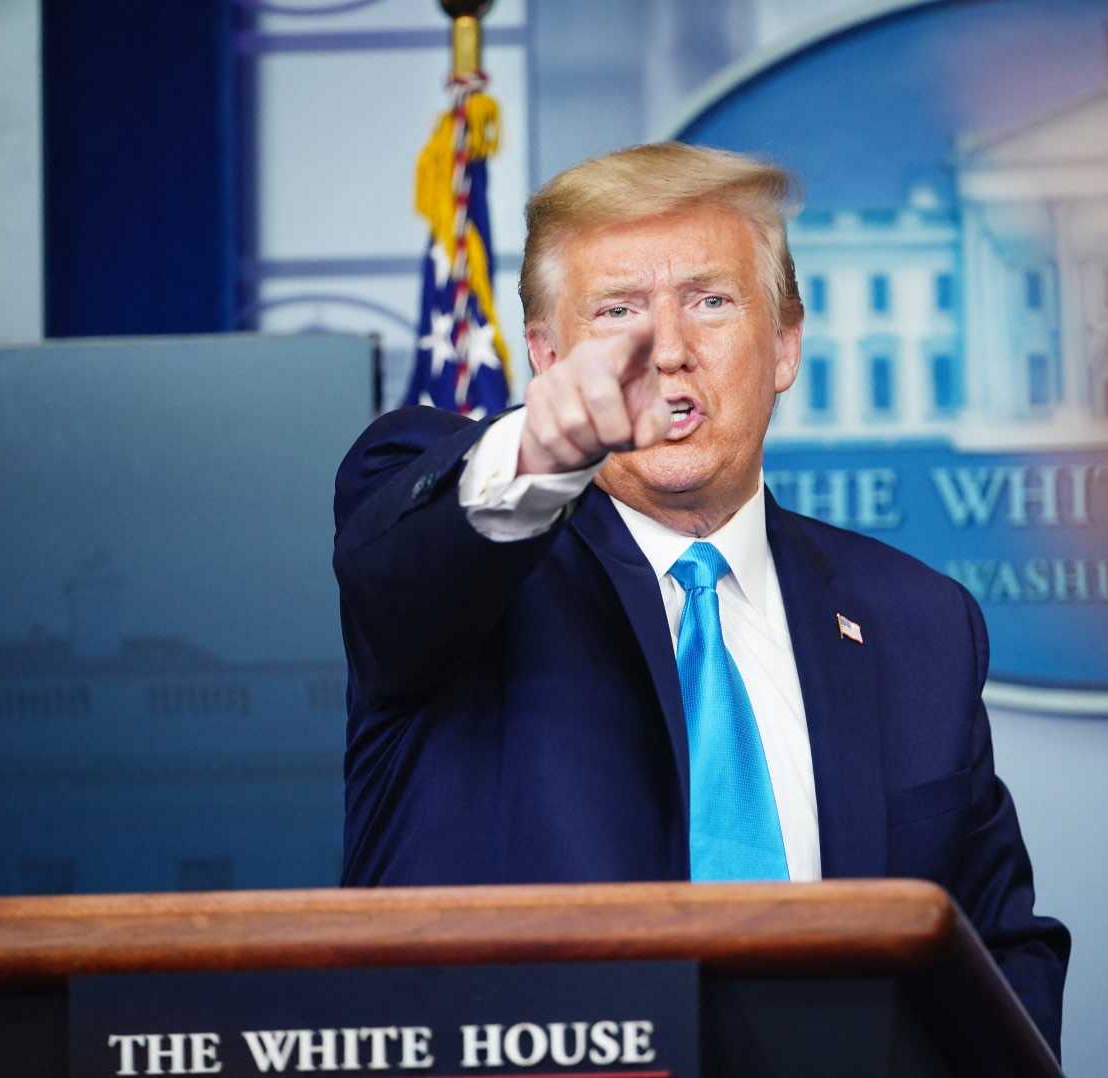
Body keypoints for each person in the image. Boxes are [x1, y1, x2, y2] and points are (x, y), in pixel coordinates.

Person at [332, 142, 1070, 1053]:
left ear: (787, 345)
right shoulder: (466, 548)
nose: (668, 352)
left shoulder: (918, 620)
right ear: (550, 355)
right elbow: (405, 564)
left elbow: (998, 948)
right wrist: (542, 448)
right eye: (619, 313)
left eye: (711, 301)